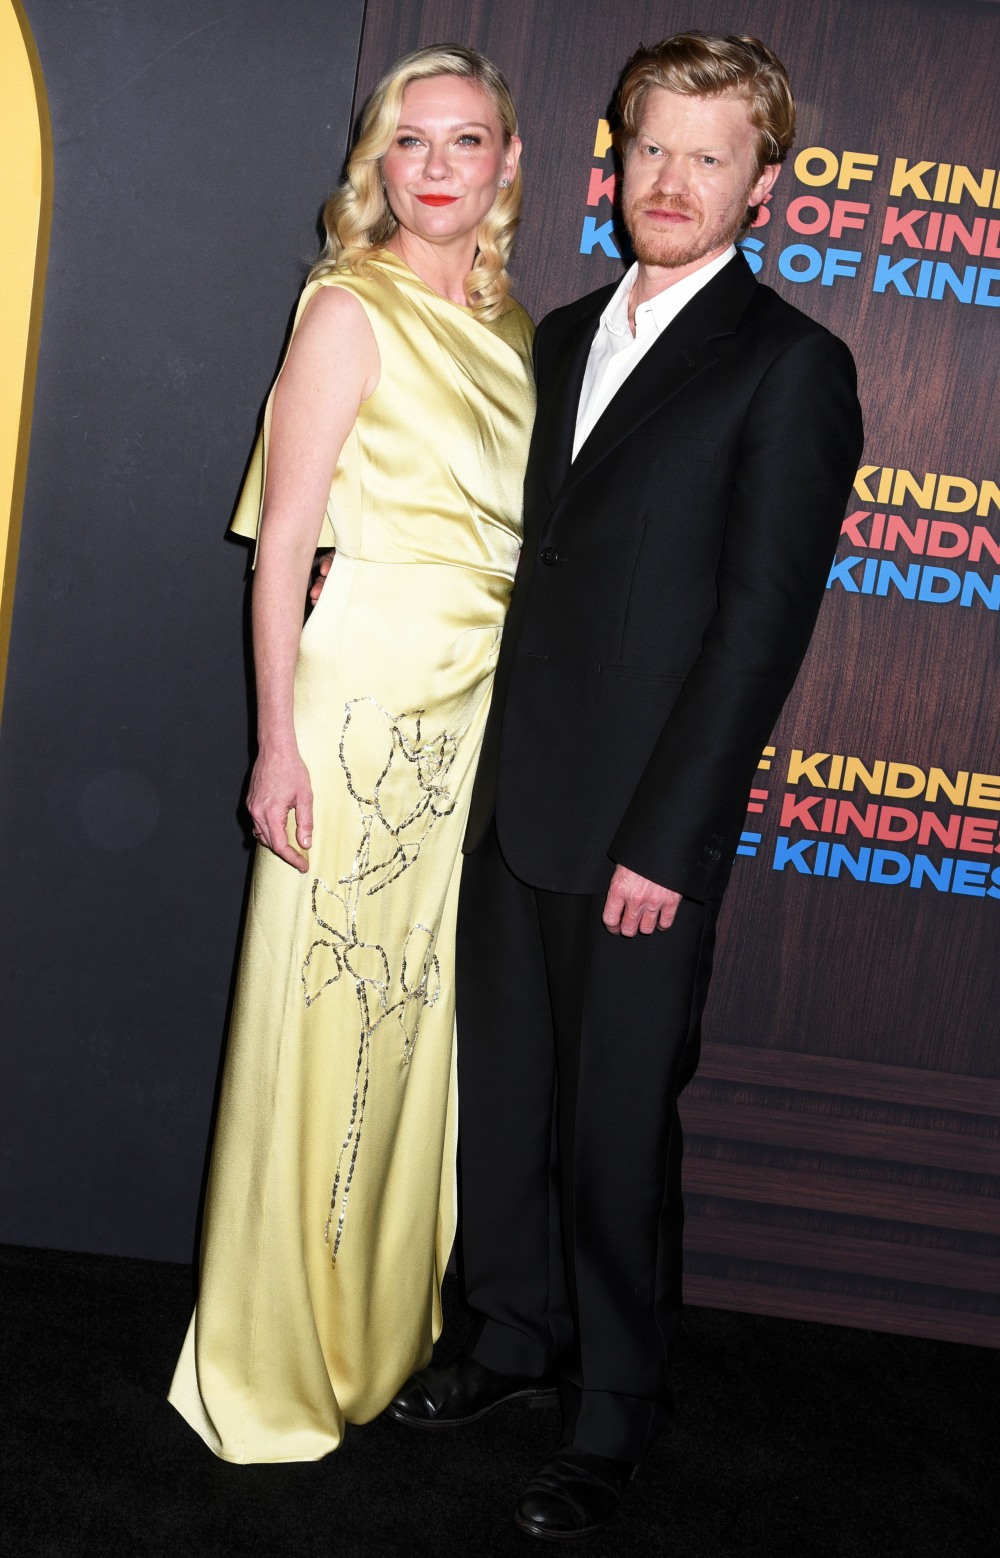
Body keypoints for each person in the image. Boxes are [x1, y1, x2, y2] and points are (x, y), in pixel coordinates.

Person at [382, 32, 865, 1540]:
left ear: (763, 186)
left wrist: (672, 839)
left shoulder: (791, 365)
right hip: (509, 798)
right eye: (653, 146)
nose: (673, 179)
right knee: (507, 1099)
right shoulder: (559, 333)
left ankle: (613, 1410)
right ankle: (512, 1336)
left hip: (643, 832)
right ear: (616, 155)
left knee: (613, 1132)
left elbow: (758, 633)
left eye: (710, 157)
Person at [167, 44, 533, 1462]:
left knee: (418, 1020)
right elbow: (283, 547)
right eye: (411, 139)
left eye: (467, 139)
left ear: (508, 164)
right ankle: (274, 1346)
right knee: (325, 1010)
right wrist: (277, 743)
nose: (438, 165)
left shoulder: (514, 330)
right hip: (362, 701)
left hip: (476, 708)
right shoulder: (345, 308)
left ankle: (372, 1329)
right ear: (377, 162)